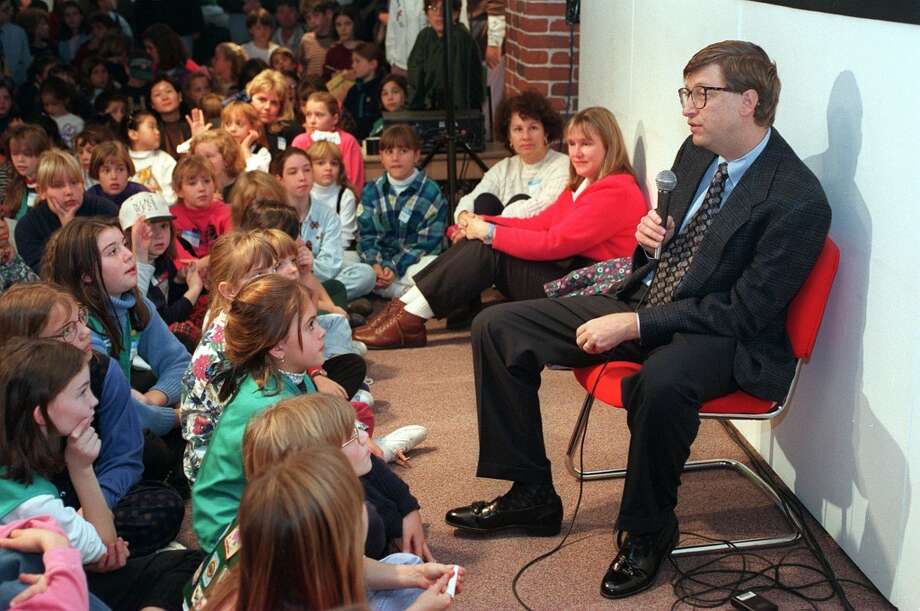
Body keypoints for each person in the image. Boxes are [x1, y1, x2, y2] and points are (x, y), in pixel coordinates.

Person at [445, 41, 832, 599]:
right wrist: (649, 243)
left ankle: (649, 532)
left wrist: (635, 327)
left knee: (662, 381)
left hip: (724, 336)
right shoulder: (697, 153)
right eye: (687, 92)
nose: (688, 107)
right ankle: (531, 493)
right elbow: (666, 246)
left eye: (703, 93)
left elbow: (745, 311)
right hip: (651, 300)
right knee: (497, 326)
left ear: (749, 101)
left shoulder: (796, 198)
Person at [356, 107, 645, 349]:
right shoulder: (584, 184)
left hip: (589, 295)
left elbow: (554, 242)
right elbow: (538, 223)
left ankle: (408, 316)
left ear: (609, 145)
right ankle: (405, 310)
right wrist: (482, 223)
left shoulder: (615, 190)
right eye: (572, 144)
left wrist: (490, 232)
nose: (577, 153)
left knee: (490, 251)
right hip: (574, 276)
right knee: (482, 243)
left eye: (586, 144)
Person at [186, 397, 449, 610]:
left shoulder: (296, 518)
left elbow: (348, 562)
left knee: (407, 566)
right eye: (352, 434)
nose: (363, 435)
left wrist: (415, 576)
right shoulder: (294, 575)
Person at [192, 274, 325, 552]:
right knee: (363, 523)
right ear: (277, 347)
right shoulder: (268, 406)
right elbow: (297, 490)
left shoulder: (293, 375)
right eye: (311, 325)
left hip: (270, 507)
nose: (322, 331)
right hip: (233, 535)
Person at [355, 124, 447, 301]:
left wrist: (394, 266)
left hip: (411, 263)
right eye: (389, 152)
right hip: (380, 266)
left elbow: (426, 244)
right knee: (350, 262)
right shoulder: (371, 190)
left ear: (417, 155)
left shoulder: (431, 191)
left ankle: (385, 291)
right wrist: (375, 264)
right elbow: (366, 235)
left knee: (433, 267)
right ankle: (406, 295)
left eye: (403, 151)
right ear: (381, 157)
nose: (395, 158)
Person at [451, 90, 568, 224]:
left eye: (533, 128)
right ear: (509, 137)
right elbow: (471, 198)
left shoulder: (562, 165)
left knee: (520, 199)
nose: (526, 136)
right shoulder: (504, 168)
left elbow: (545, 207)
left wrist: (486, 226)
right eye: (518, 129)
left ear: (546, 133)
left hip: (536, 237)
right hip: (493, 235)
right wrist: (463, 217)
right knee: (484, 200)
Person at [273, 147, 375, 301]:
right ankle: (329, 302)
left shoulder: (327, 215)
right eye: (293, 172)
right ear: (279, 179)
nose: (302, 177)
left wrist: (311, 264)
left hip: (319, 277)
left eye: (307, 170)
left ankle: (315, 301)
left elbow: (332, 264)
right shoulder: (273, 214)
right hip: (285, 280)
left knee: (366, 274)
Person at [14, 149, 118, 273]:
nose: (69, 191)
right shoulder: (28, 226)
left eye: (74, 183)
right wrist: (68, 231)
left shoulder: (104, 209)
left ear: (83, 184)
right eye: (58, 185)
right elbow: (46, 275)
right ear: (41, 191)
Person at [407, 0, 484, 112]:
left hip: (457, 114)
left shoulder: (460, 38)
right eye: (433, 8)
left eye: (444, 9)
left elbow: (459, 89)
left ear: (456, 13)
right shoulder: (425, 36)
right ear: (426, 13)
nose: (439, 14)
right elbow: (415, 76)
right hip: (429, 111)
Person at [292, 91, 365, 193]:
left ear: (335, 119)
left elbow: (354, 180)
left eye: (319, 115)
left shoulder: (348, 141)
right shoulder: (300, 141)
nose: (312, 120)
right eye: (308, 115)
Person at [169, 155, 233, 260]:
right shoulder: (171, 218)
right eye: (192, 183)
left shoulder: (227, 212)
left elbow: (231, 250)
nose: (201, 188)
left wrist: (203, 264)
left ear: (215, 185)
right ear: (179, 190)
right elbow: (177, 257)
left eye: (207, 181)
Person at [126, 110, 178, 204]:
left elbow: (173, 193)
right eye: (152, 127)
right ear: (133, 134)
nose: (157, 132)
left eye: (157, 127)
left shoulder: (164, 159)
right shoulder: (123, 160)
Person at [86, 140, 148, 208]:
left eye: (120, 170)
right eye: (106, 170)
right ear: (97, 173)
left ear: (128, 170)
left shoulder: (140, 194)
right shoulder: (90, 198)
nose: (114, 176)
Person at [343, 42, 384, 141]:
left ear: (373, 64)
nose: (353, 66)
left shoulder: (382, 89)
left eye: (358, 61)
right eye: (352, 61)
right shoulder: (353, 90)